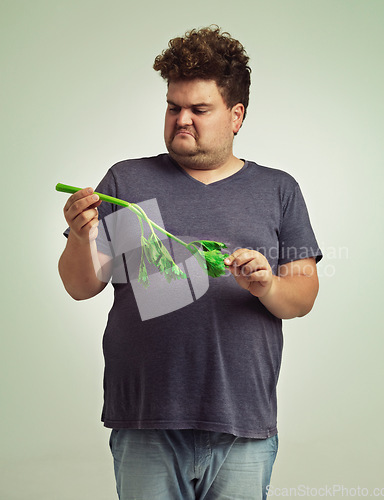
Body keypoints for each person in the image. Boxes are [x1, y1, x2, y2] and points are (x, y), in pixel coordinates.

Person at [58, 26, 322, 500]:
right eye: (173, 106)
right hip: (146, 420)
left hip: (242, 422)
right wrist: (81, 236)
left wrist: (267, 286)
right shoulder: (128, 182)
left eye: (199, 109)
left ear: (236, 115)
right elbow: (82, 285)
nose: (182, 119)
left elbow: (301, 296)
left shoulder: (277, 190)